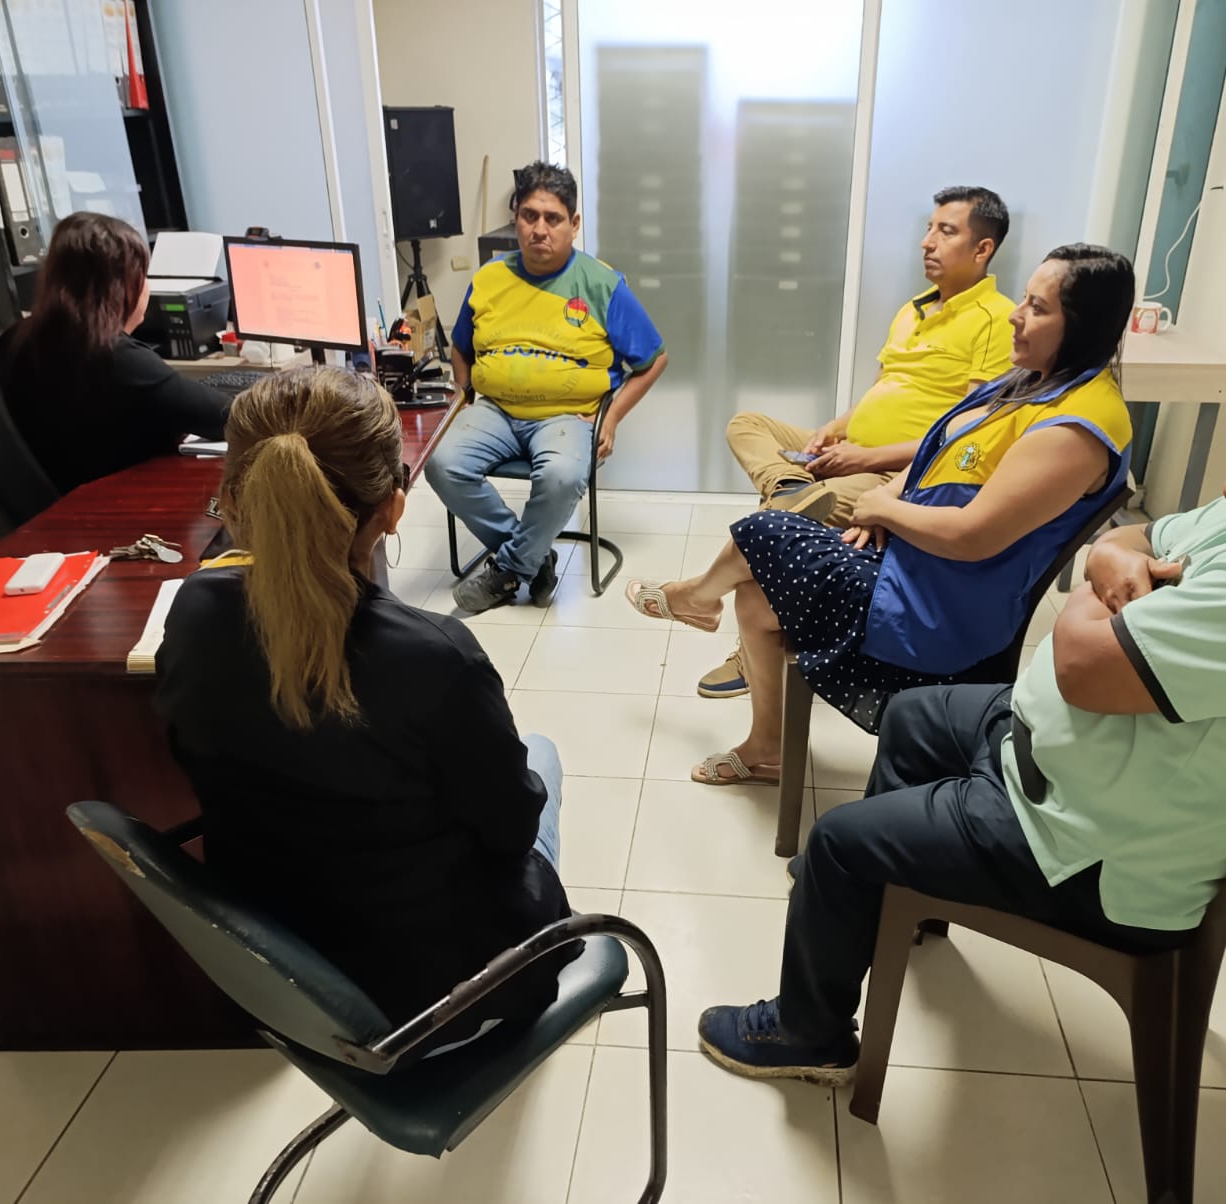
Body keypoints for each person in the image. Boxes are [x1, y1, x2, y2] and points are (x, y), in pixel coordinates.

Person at [695, 328, 1226, 1085]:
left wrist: (1094, 595)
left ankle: (809, 1034)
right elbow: (1137, 538)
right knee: (914, 717)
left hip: (1086, 839)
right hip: (1070, 752)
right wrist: (1115, 565)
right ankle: (901, 902)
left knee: (838, 841)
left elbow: (1080, 668)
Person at [154, 367, 577, 1058]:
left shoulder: (195, 610)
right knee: (543, 757)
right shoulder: (437, 657)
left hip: (283, 979)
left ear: (232, 499)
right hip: (433, 1003)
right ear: (393, 509)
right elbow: (510, 830)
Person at [626, 244, 1136, 787]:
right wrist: (887, 501)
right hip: (912, 559)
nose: (1017, 314)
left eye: (1037, 307)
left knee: (764, 530)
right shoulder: (1033, 381)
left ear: (1081, 326)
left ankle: (696, 596)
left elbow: (973, 537)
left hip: (935, 606)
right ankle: (766, 746)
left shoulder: (1074, 429)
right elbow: (939, 453)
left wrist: (885, 508)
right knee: (754, 595)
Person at [700, 186, 1016, 700]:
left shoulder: (997, 319)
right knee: (747, 424)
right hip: (854, 451)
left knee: (775, 525)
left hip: (894, 473)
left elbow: (965, 433)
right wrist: (833, 429)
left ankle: (749, 640)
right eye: (929, 228)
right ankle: (789, 485)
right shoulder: (912, 309)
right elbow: (882, 390)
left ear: (983, 249)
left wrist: (864, 458)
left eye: (945, 231)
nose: (927, 242)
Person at [425, 161, 669, 613]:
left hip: (568, 415)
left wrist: (611, 418)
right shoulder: (488, 279)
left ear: (574, 224)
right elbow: (460, 346)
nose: (540, 229)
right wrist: (464, 398)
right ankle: (533, 559)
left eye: (553, 218)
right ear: (515, 218)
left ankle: (510, 568)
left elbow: (653, 360)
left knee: (562, 476)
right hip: (495, 410)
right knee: (441, 464)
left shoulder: (602, 284)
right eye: (529, 216)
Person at [0, 212, 229, 494]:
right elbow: (228, 419)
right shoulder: (116, 358)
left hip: (65, 503)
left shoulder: (15, 339)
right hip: (123, 502)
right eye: (143, 275)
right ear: (124, 286)